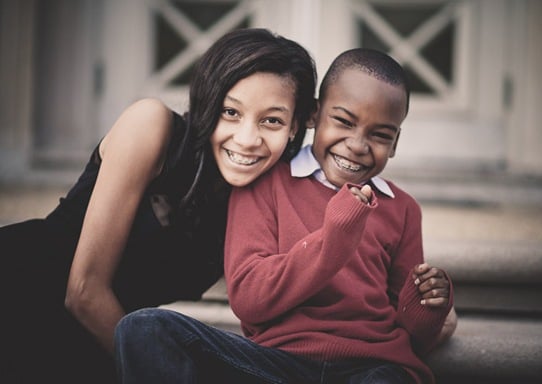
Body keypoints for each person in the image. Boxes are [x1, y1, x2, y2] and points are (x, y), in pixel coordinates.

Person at [114, 48, 456, 384]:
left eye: (381, 135)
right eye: (343, 121)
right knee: (144, 328)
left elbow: (414, 336)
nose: (357, 144)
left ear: (395, 144)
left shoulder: (402, 207)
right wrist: (332, 241)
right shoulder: (265, 183)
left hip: (370, 366)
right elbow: (249, 300)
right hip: (275, 364)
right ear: (314, 116)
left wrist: (429, 305)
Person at [0, 28, 317, 383]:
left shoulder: (264, 194)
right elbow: (84, 291)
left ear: (296, 126)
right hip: (18, 299)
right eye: (230, 112)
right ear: (208, 102)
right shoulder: (152, 126)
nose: (246, 139)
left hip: (94, 346)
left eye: (272, 120)